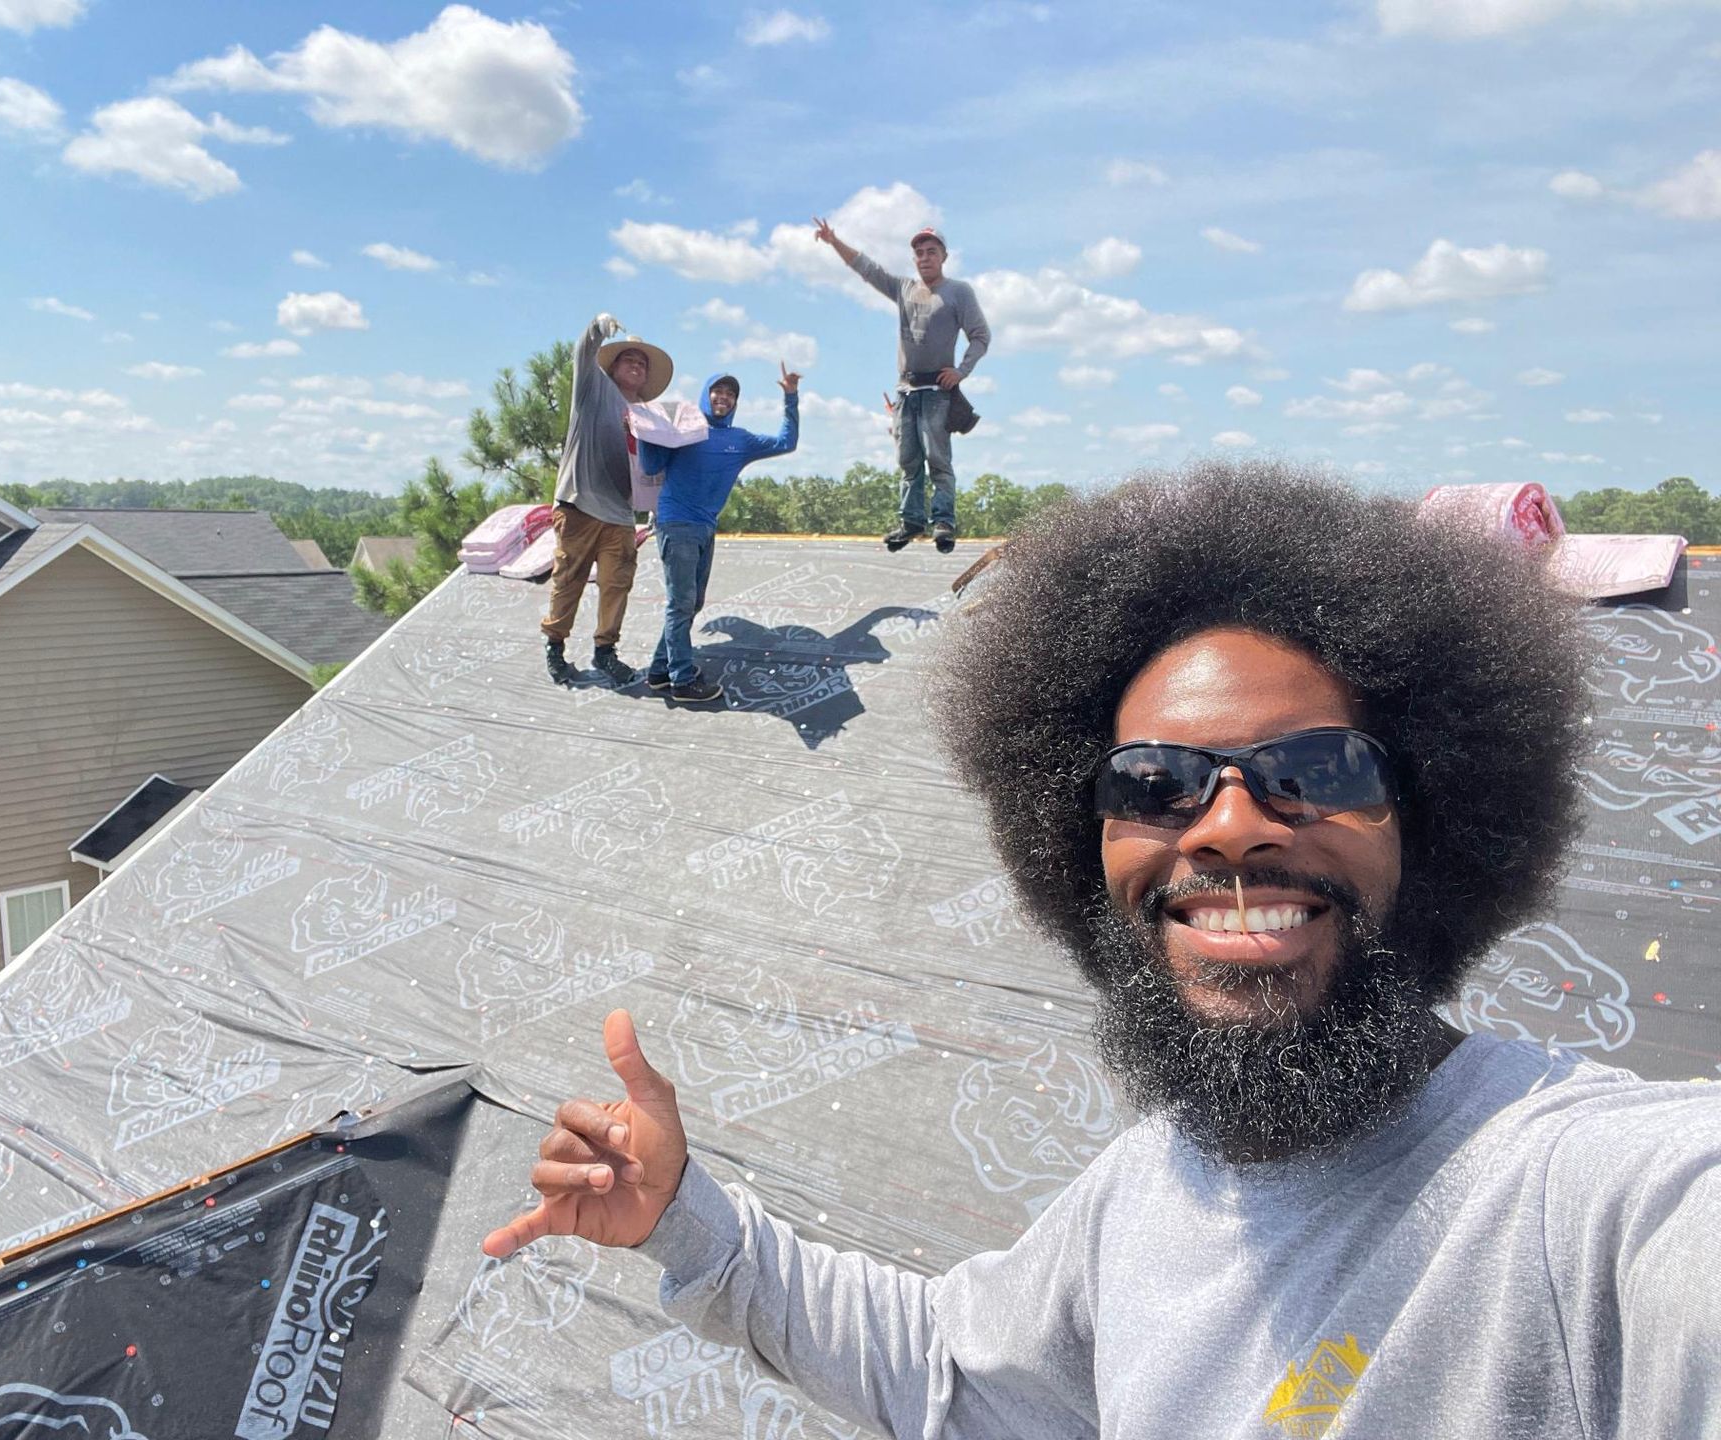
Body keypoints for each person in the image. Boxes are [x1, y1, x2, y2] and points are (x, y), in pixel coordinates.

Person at [483, 459, 1721, 1437]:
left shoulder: (1586, 1205)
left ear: (1431, 821)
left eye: (1315, 772)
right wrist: (683, 1219)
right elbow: (943, 1371)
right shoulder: (1149, 1189)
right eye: (1157, 782)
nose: (1230, 827)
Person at [812, 217, 989, 554]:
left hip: (937, 390)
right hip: (906, 391)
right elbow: (867, 269)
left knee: (938, 458)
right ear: (914, 259)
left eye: (931, 252)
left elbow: (981, 336)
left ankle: (944, 522)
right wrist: (834, 241)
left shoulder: (958, 292)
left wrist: (961, 371)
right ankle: (911, 521)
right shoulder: (904, 289)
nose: (925, 257)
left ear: (944, 257)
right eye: (919, 253)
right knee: (908, 461)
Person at [635, 364, 801, 705]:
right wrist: (644, 431)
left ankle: (659, 671)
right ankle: (681, 680)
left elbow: (787, 441)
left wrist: (790, 396)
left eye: (730, 394)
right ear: (706, 395)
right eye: (718, 391)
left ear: (735, 402)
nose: (723, 398)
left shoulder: (739, 440)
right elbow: (651, 466)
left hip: (705, 527)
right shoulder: (684, 430)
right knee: (680, 603)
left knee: (690, 603)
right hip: (676, 523)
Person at [541, 313, 672, 684]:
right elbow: (582, 353)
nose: (636, 365)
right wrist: (597, 328)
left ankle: (605, 650)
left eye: (642, 362)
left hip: (619, 512)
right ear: (612, 366)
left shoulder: (648, 416)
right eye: (629, 358)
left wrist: (655, 508)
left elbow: (654, 468)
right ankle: (555, 645)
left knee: (618, 583)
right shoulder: (593, 388)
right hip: (579, 502)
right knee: (570, 579)